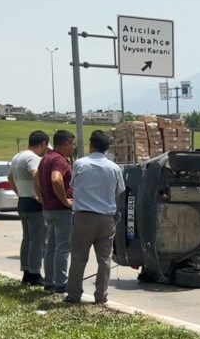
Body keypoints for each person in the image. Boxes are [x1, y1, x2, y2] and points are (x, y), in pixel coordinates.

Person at [65, 131, 124, 305]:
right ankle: (101, 296)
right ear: (107, 148)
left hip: (84, 217)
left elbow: (73, 185)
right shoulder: (114, 168)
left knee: (78, 258)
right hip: (106, 219)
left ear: (91, 146)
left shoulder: (80, 164)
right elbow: (119, 190)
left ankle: (74, 295)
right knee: (104, 260)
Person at [8, 131, 49, 286]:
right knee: (37, 241)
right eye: (46, 146)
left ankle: (26, 272)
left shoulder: (17, 156)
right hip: (34, 204)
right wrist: (40, 196)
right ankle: (35, 274)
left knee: (27, 239)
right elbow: (35, 175)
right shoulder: (33, 158)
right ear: (43, 143)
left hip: (23, 202)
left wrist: (20, 192)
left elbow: (9, 178)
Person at [37, 130, 75, 294]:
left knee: (51, 247)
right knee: (63, 248)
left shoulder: (46, 158)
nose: (72, 148)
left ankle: (49, 283)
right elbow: (56, 179)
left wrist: (41, 197)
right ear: (66, 143)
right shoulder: (59, 160)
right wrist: (64, 200)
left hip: (48, 209)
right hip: (60, 210)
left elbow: (35, 178)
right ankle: (61, 285)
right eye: (72, 144)